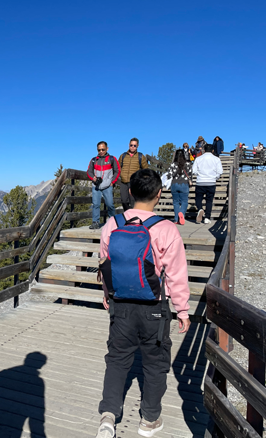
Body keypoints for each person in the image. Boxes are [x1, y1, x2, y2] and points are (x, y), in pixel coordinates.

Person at [95, 169, 191, 438]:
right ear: (159, 194)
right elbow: (176, 274)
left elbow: (105, 264)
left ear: (130, 193)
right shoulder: (166, 229)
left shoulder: (112, 225)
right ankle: (149, 420)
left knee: (117, 359)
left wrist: (107, 293)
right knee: (155, 362)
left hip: (120, 304)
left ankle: (108, 415)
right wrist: (182, 310)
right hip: (154, 309)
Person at [87, 141, 121, 228]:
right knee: (96, 205)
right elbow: (89, 172)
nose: (101, 151)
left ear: (107, 149)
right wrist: (93, 178)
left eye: (103, 149)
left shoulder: (112, 159)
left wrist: (112, 182)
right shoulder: (94, 160)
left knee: (110, 204)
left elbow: (117, 171)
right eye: (99, 150)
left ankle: (112, 221)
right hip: (96, 186)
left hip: (107, 186)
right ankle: (95, 222)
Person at [192, 144, 223, 224]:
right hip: (211, 182)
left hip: (200, 182)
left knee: (198, 198)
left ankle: (200, 209)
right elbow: (220, 171)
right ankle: (207, 218)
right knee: (209, 201)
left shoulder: (198, 159)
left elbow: (194, 171)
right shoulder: (216, 159)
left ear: (204, 150)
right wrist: (215, 178)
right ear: (213, 150)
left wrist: (199, 175)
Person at [118, 138, 149, 211]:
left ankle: (133, 218)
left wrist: (141, 180)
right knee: (123, 200)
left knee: (133, 201)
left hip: (134, 183)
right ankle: (128, 215)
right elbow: (118, 167)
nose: (132, 147)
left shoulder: (140, 156)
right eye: (131, 145)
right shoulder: (123, 156)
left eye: (134, 145)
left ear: (137, 146)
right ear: (129, 145)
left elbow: (146, 170)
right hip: (123, 182)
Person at [166, 150, 193, 225]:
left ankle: (176, 219)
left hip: (174, 184)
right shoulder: (188, 164)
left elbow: (169, 175)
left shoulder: (173, 165)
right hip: (184, 184)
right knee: (184, 201)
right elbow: (190, 175)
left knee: (176, 202)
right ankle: (181, 213)